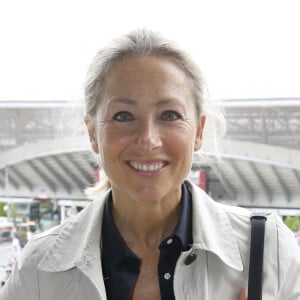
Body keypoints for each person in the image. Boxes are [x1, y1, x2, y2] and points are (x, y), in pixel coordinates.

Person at [1, 29, 300, 300]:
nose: (147, 140)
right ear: (93, 133)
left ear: (198, 131)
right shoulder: (38, 269)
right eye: (123, 116)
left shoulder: (269, 251)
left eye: (169, 115)